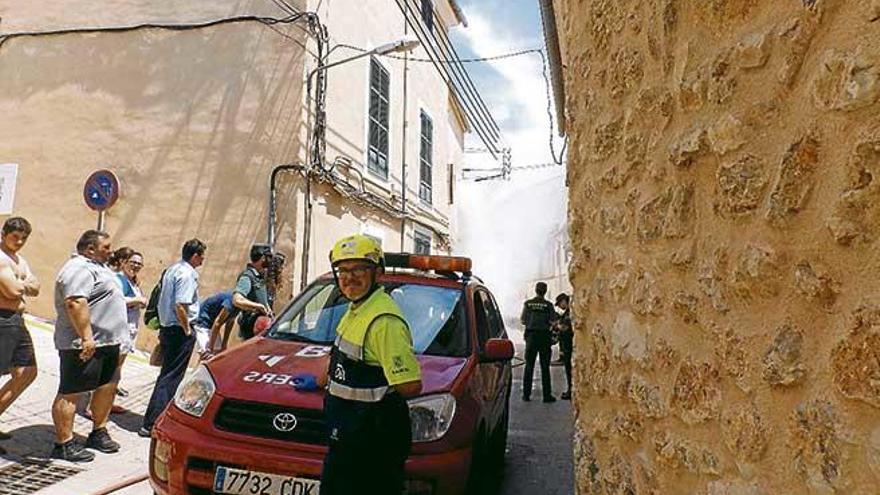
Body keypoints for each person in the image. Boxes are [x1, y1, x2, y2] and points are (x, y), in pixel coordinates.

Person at [320, 234, 422, 495]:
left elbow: (409, 386)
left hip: (371, 446)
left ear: (377, 273)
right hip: (347, 438)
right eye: (343, 269)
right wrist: (323, 380)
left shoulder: (384, 321)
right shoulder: (356, 309)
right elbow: (343, 358)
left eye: (358, 269)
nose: (349, 277)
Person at [51, 230, 128, 462]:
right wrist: (86, 337)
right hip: (82, 344)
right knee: (71, 391)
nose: (110, 250)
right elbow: (75, 302)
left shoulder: (100, 268)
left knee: (107, 386)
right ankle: (63, 443)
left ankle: (98, 432)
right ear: (90, 248)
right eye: (106, 247)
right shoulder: (78, 268)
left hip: (108, 343)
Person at [140, 239, 205, 437]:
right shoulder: (187, 274)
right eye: (202, 255)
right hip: (179, 330)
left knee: (166, 375)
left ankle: (153, 419)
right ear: (195, 255)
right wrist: (187, 329)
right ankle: (154, 423)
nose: (203, 259)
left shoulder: (173, 269)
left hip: (168, 328)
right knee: (171, 377)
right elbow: (180, 305)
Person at [0, 217, 39, 453]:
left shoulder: (18, 260)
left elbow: (37, 286)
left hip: (16, 321)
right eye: (16, 236)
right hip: (2, 319)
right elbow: (13, 290)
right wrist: (24, 283)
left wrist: (20, 283)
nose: (20, 241)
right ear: (4, 233)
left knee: (27, 372)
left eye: (24, 238)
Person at [114, 250, 146, 398]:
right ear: (124, 263)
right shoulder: (119, 279)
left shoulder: (132, 282)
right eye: (133, 262)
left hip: (128, 330)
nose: (136, 266)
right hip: (119, 330)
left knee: (118, 365)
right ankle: (95, 403)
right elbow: (116, 301)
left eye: (139, 264)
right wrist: (138, 300)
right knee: (112, 366)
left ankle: (111, 392)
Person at [520, 282, 558, 403]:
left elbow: (523, 320)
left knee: (529, 366)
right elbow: (553, 321)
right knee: (545, 367)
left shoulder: (528, 304)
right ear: (545, 291)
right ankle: (547, 396)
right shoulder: (548, 305)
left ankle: (526, 394)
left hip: (531, 336)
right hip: (544, 337)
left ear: (536, 290)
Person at [232, 243, 273, 340]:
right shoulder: (247, 277)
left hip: (260, 329)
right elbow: (237, 300)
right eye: (269, 257)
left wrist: (266, 307)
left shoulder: (259, 276)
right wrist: (258, 306)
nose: (270, 261)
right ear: (262, 258)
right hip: (251, 330)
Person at [193, 290, 238, 358]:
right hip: (203, 321)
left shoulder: (239, 306)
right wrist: (210, 348)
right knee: (207, 355)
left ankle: (198, 367)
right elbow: (217, 323)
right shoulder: (231, 301)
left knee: (216, 354)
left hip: (212, 325)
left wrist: (224, 344)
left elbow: (230, 323)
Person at [554, 293, 573, 400]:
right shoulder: (567, 312)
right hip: (567, 345)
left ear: (564, 301)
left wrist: (557, 325)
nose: (560, 307)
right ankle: (570, 390)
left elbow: (565, 328)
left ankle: (570, 391)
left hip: (569, 345)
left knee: (569, 370)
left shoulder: (570, 312)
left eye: (560, 304)